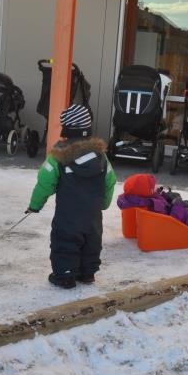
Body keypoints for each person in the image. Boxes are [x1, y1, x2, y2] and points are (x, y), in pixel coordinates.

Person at [26, 104, 117, 289]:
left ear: (66, 129)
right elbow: (110, 180)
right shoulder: (100, 156)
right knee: (91, 241)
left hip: (68, 214)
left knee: (65, 241)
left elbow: (45, 181)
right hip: (92, 215)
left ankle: (65, 275)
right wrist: (103, 203)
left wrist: (35, 204)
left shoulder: (58, 156)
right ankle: (87, 273)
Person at [116, 173, 188, 227]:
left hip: (164, 218)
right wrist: (178, 204)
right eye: (152, 187)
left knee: (187, 212)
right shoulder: (151, 204)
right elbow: (171, 220)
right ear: (146, 191)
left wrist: (166, 195)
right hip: (169, 225)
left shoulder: (136, 198)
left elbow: (153, 196)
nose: (155, 188)